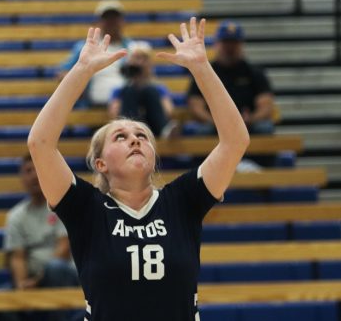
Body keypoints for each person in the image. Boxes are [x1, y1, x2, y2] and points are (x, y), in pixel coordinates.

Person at [27, 18, 249, 321]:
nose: (134, 139)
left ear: (154, 157)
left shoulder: (181, 200)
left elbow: (235, 140)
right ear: (101, 163)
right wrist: (81, 71)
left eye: (142, 136)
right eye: (121, 136)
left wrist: (201, 68)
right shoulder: (86, 209)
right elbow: (40, 143)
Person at [3, 154, 79, 321]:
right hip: (32, 281)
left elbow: (63, 250)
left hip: (65, 276)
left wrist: (37, 281)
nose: (33, 175)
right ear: (22, 178)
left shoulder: (62, 205)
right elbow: (17, 257)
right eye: (28, 171)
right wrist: (22, 285)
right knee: (1, 300)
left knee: (55, 268)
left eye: (36, 169)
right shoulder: (16, 215)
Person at [187, 20, 275, 136]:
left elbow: (266, 104)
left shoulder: (254, 73)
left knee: (265, 128)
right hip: (214, 125)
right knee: (202, 131)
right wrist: (215, 121)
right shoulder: (204, 72)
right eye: (226, 43)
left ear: (241, 45)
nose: (230, 48)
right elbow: (195, 105)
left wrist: (252, 119)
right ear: (216, 44)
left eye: (234, 43)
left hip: (248, 124)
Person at [57, 0, 131, 106]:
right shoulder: (85, 47)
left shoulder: (133, 47)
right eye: (107, 18)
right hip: (95, 99)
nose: (111, 22)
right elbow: (63, 73)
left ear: (122, 21)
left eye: (114, 18)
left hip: (126, 98)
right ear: (99, 21)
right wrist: (77, 86)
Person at [108, 41, 178, 137]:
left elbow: (168, 111)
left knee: (150, 90)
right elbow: (114, 114)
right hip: (130, 125)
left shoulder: (157, 88)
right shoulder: (121, 89)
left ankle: (163, 130)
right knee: (130, 91)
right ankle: (131, 131)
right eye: (136, 58)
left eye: (143, 59)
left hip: (153, 127)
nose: (140, 62)